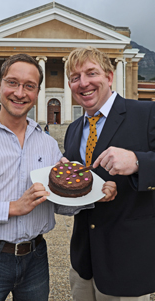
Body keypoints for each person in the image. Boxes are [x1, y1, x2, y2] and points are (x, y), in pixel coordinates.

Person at [0, 53, 116, 301]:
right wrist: (11, 208)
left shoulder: (48, 144)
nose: (20, 93)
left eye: (29, 86)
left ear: (37, 92)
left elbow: (60, 203)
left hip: (36, 257)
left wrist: (95, 196)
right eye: (12, 82)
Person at [64, 46, 155, 301]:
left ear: (109, 76)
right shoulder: (73, 130)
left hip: (128, 262)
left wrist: (138, 161)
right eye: (75, 77)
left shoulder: (146, 113)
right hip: (83, 262)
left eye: (91, 73)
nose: (83, 83)